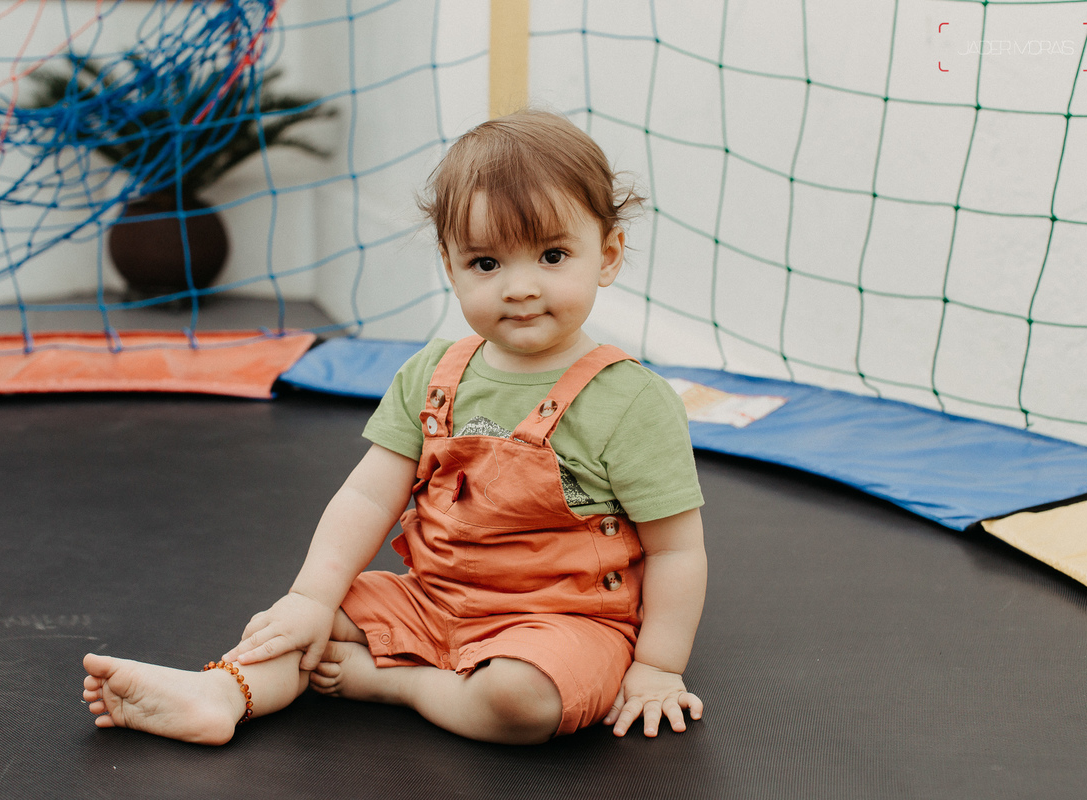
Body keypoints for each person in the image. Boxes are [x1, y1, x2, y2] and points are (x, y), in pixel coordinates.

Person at [81, 109, 707, 746]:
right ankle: (221, 694)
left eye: (552, 256)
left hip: (562, 622)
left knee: (522, 699)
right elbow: (367, 495)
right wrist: (311, 596)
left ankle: (395, 682)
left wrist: (657, 667)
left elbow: (676, 548)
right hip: (431, 599)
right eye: (486, 264)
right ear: (450, 264)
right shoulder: (431, 374)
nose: (520, 288)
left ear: (607, 255)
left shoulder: (632, 401)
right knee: (294, 626)